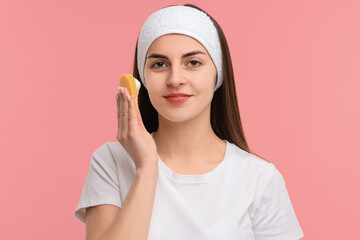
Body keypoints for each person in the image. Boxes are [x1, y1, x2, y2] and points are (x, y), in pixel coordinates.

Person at [75, 4, 304, 240]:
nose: (175, 79)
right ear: (142, 78)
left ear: (218, 73)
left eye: (193, 62)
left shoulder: (260, 179)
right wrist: (147, 168)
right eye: (159, 64)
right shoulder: (110, 161)